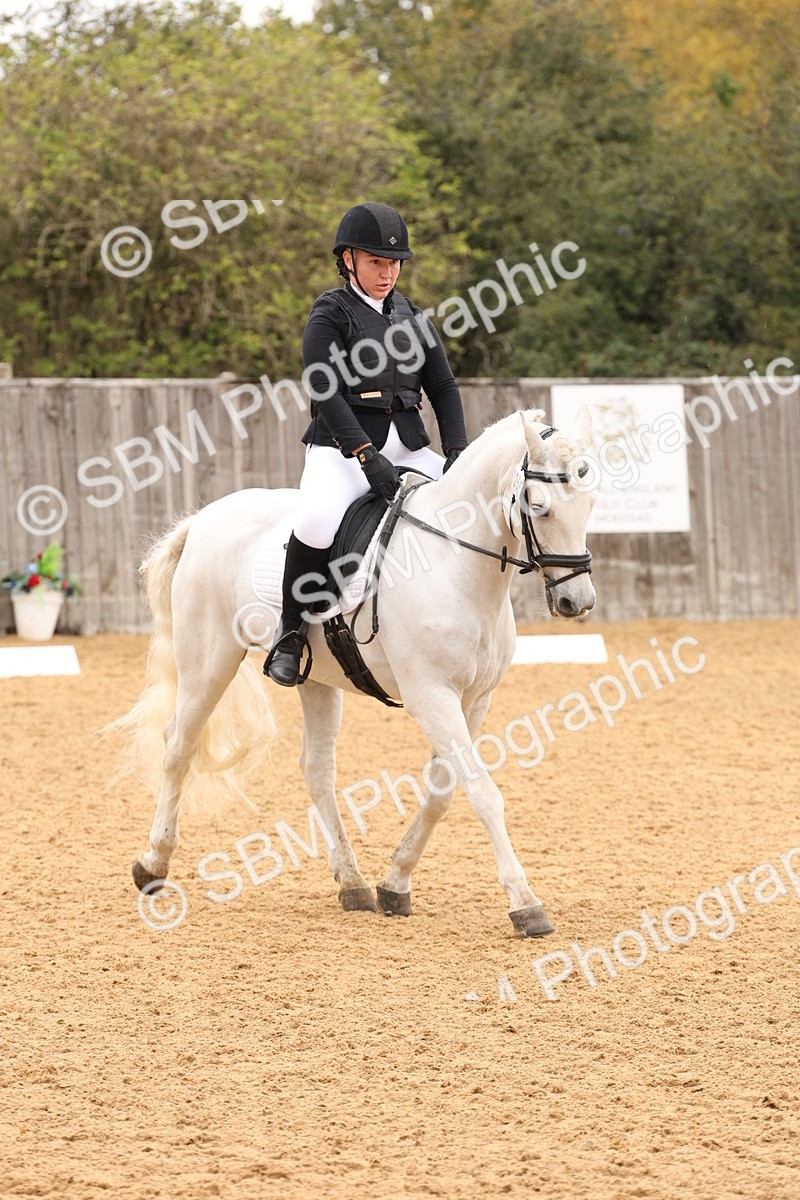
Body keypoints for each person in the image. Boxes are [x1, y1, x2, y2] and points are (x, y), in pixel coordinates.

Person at [264, 201, 468, 687]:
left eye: (394, 263)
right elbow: (323, 388)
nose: (387, 272)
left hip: (409, 447)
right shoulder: (330, 312)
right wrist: (363, 454)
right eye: (377, 262)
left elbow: (443, 387)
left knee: (471, 502)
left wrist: (459, 452)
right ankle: (290, 632)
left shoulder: (413, 317)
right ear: (349, 259)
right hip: (341, 450)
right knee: (315, 522)